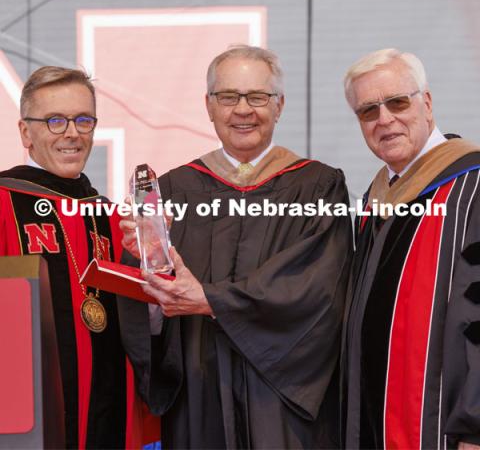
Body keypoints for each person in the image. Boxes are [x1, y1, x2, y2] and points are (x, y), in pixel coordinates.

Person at [118, 45, 353, 448]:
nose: (242, 110)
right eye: (228, 97)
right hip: (198, 391)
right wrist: (153, 279)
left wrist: (209, 299)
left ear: (279, 106)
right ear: (209, 107)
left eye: (257, 97)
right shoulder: (173, 189)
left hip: (283, 402)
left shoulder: (318, 186)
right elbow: (146, 318)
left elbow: (318, 290)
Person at [0, 66, 155, 448]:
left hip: (109, 413)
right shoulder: (4, 202)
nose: (72, 133)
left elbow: (142, 326)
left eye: (83, 120)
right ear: (25, 132)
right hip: (25, 418)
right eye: (55, 121)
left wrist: (155, 262)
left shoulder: (113, 217)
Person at [342, 48, 480, 449]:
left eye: (398, 102)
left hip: (442, 424)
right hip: (376, 417)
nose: (385, 119)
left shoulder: (471, 186)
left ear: (428, 104)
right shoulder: (376, 196)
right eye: (368, 111)